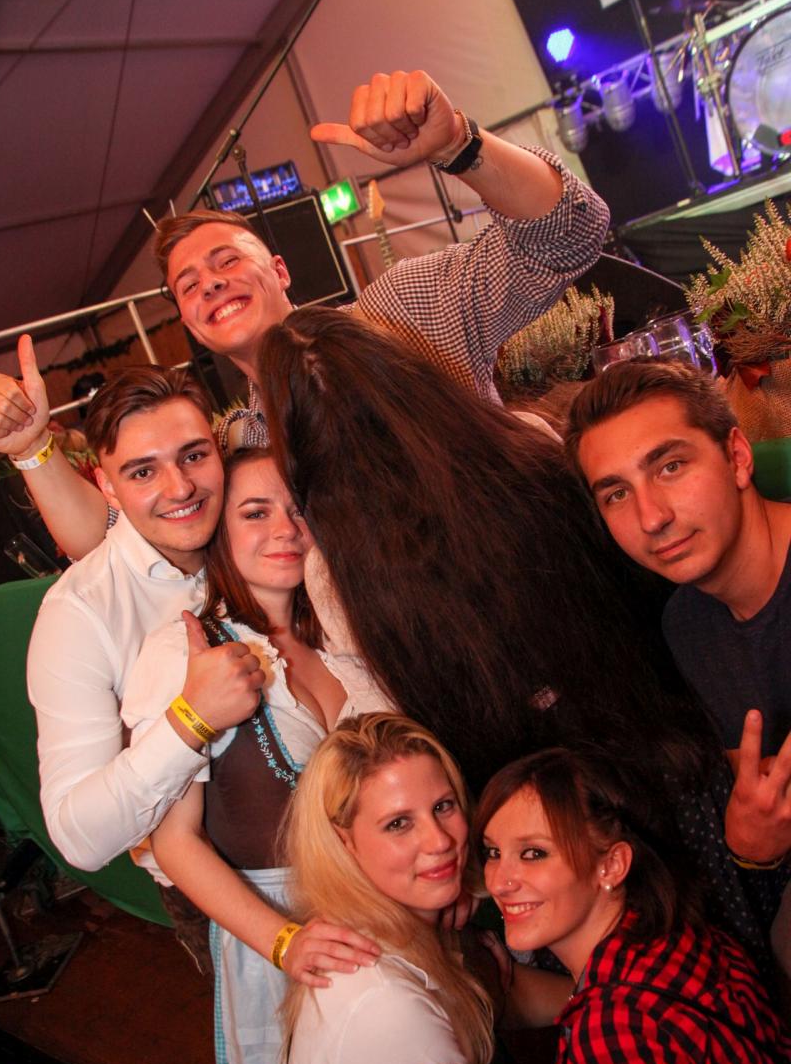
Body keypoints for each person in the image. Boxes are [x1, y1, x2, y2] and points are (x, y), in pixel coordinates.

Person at [0, 69, 609, 557]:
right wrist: (31, 447)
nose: (212, 284)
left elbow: (569, 234)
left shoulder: (401, 312)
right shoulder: (241, 445)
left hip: (540, 570)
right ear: (188, 323)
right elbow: (121, 538)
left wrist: (458, 145)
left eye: (228, 261)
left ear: (281, 271)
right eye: (190, 285)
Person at [254, 304, 716, 797]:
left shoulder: (333, 573)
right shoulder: (523, 439)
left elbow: (393, 717)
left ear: (299, 444)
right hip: (666, 721)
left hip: (534, 796)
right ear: (407, 380)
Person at [122, 447, 388, 1064]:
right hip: (287, 938)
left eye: (297, 509)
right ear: (218, 532)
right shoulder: (185, 651)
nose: (286, 529)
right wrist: (285, 942)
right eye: (255, 512)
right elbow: (174, 842)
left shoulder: (343, 634)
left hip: (391, 918)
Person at [393, 748, 791, 1064]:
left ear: (612, 864)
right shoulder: (673, 940)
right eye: (492, 852)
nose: (500, 881)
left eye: (533, 853)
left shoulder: (617, 1031)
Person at [261, 711, 569, 1064]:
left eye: (444, 806)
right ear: (344, 843)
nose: (441, 841)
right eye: (399, 823)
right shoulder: (383, 1007)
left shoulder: (388, 919)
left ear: (613, 866)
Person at [26, 366, 264, 887]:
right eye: (142, 473)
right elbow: (79, 838)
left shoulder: (264, 537)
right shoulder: (80, 613)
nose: (180, 488)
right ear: (107, 488)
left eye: (193, 456)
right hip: (218, 886)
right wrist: (191, 720)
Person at [564, 361, 791, 875]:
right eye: (617, 494)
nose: (652, 517)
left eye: (670, 467)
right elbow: (762, 802)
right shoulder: (688, 624)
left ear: (737, 457)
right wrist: (752, 846)